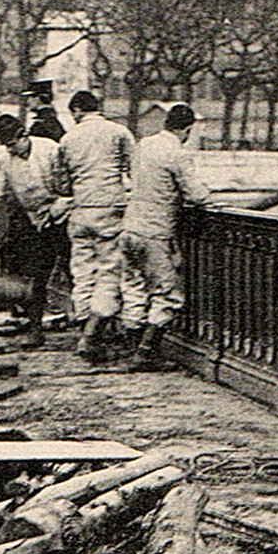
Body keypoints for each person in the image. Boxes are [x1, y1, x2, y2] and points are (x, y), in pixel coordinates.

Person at [0, 114, 70, 348]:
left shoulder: (50, 149)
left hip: (64, 217)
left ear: (24, 136)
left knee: (75, 271)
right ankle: (36, 328)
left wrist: (57, 210)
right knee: (37, 276)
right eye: (7, 146)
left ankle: (90, 325)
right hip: (36, 221)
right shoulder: (6, 162)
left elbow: (69, 187)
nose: (11, 150)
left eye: (14, 144)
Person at [120, 103, 211, 372]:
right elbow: (196, 194)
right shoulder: (177, 153)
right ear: (186, 129)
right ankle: (146, 352)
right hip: (156, 232)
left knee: (134, 287)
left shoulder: (144, 144)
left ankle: (132, 345)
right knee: (167, 294)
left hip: (129, 228)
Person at [57, 91, 134, 362]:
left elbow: (62, 184)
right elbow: (132, 171)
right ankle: (93, 333)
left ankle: (83, 327)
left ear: (78, 110)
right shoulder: (119, 132)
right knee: (110, 271)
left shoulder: (68, 138)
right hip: (111, 209)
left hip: (80, 212)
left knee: (82, 271)